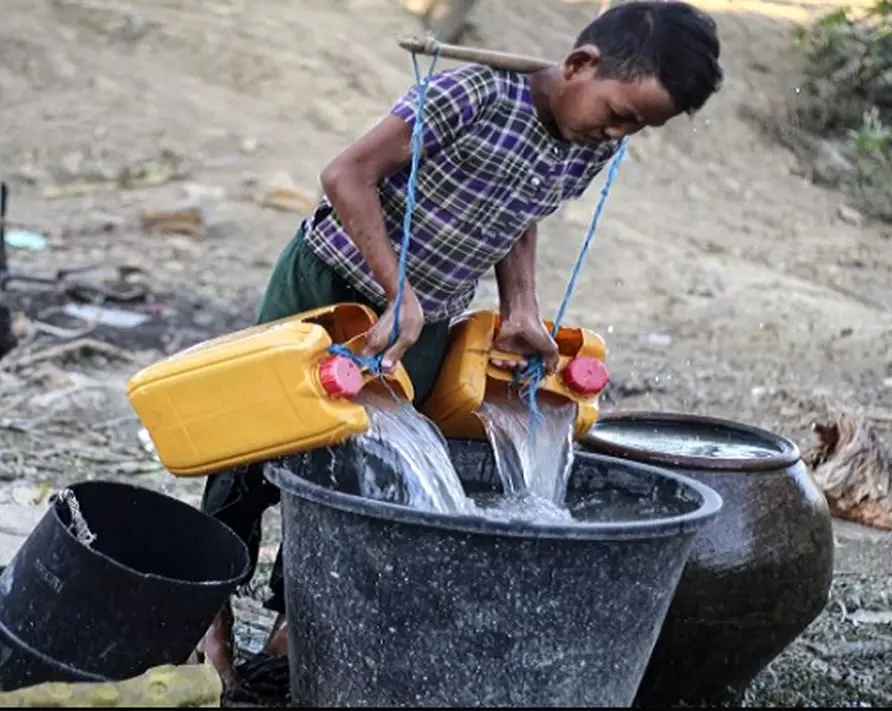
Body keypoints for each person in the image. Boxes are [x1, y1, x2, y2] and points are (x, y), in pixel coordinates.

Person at [198, 0, 723, 683]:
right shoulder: (472, 93)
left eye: (637, 127)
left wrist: (522, 307)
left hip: (425, 320)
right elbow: (346, 174)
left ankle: (298, 634)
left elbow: (520, 208)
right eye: (620, 112)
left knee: (362, 472)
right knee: (252, 454)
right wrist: (397, 292)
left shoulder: (586, 143)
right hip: (327, 287)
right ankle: (206, 617)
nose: (618, 132)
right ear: (580, 64)